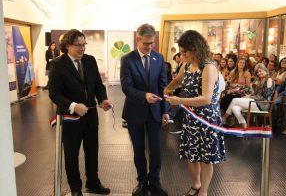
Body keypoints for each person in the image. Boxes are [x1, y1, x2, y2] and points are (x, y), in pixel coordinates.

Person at [48, 29, 111, 196]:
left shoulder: (90, 60)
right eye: (78, 45)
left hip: (90, 116)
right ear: (67, 45)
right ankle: (75, 188)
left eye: (84, 45)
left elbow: (98, 85)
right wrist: (73, 106)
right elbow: (54, 93)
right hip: (69, 118)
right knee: (71, 154)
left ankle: (93, 182)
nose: (82, 49)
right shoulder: (57, 64)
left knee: (92, 151)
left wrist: (102, 99)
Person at [164, 30, 225, 196]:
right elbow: (177, 81)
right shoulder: (187, 65)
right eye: (181, 51)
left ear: (196, 49)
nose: (182, 55)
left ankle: (203, 191)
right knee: (192, 155)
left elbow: (206, 99)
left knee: (206, 158)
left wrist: (179, 101)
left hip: (206, 119)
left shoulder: (208, 67)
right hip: (191, 117)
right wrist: (168, 89)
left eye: (185, 51)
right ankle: (196, 184)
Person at [120, 23, 169, 196]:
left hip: (155, 112)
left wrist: (165, 110)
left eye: (152, 43)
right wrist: (144, 96)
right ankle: (142, 182)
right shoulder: (127, 59)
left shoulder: (159, 58)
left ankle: (155, 181)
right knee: (139, 149)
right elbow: (126, 87)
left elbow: (164, 86)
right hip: (135, 112)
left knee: (156, 149)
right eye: (146, 43)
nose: (149, 47)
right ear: (138, 39)